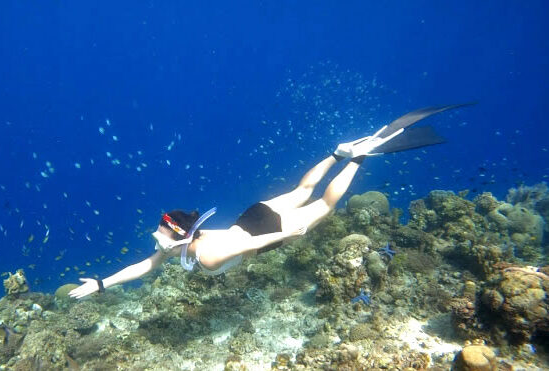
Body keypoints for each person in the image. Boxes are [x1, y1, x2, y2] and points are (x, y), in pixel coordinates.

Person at [69, 104, 471, 299]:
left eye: (159, 234)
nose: (154, 238)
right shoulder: (182, 247)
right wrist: (102, 283)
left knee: (325, 206)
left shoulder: (201, 256)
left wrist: (291, 234)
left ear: (178, 237)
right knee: (301, 192)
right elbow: (142, 267)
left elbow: (247, 246)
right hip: (252, 216)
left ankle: (362, 155)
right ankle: (337, 153)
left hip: (263, 231)